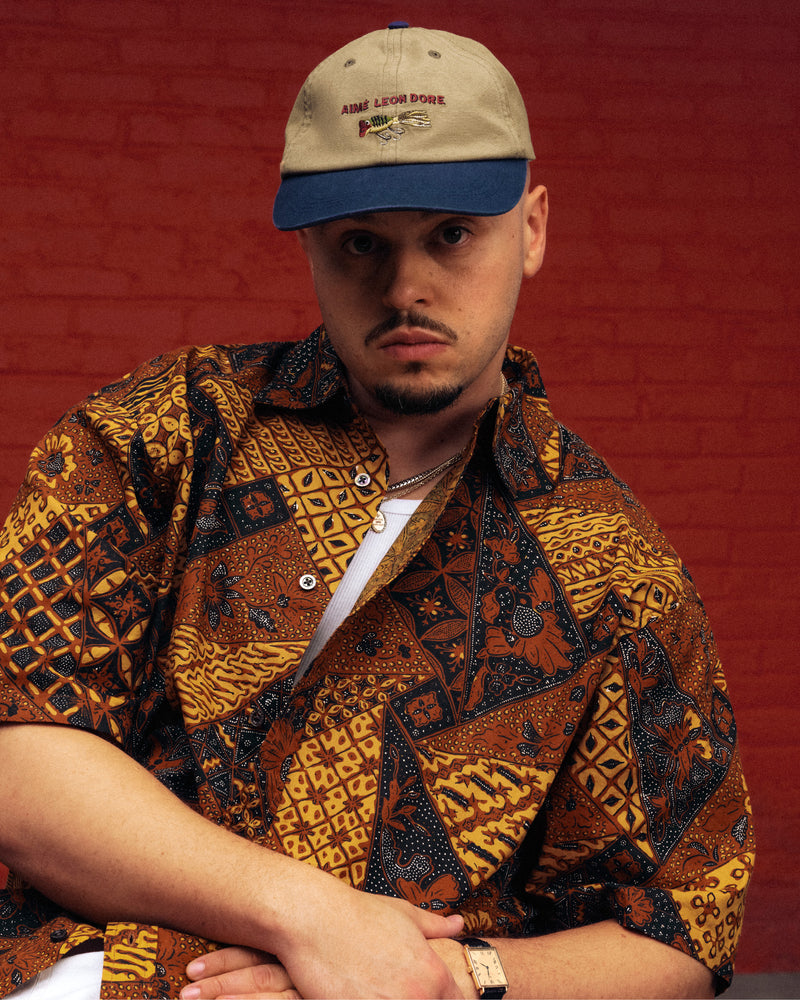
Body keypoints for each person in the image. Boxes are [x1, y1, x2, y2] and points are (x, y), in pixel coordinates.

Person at [0, 23, 753, 1000]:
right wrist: (313, 920)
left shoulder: (613, 568)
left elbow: (679, 934)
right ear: (311, 242)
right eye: (362, 242)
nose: (405, 287)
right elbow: (21, 755)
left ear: (529, 229)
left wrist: (440, 977)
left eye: (450, 233)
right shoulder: (161, 434)